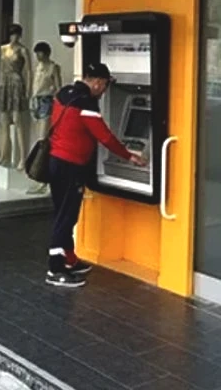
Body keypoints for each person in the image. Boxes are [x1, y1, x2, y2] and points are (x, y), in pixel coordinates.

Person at [45, 62, 147, 288]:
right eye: (105, 86)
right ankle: (55, 268)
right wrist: (130, 156)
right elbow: (105, 137)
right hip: (71, 166)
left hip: (56, 161)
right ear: (98, 82)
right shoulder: (86, 103)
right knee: (66, 217)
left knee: (62, 212)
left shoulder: (64, 93)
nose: (104, 91)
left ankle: (70, 259)